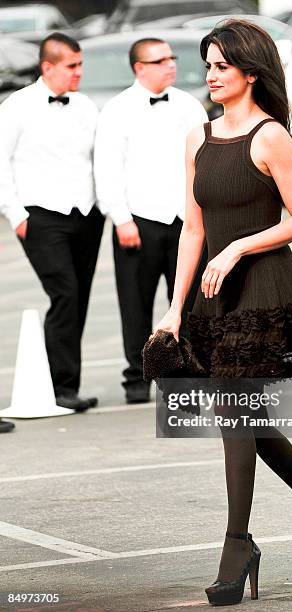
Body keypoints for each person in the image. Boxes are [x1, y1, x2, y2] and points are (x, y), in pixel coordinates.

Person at [151, 19, 292, 606]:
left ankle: (237, 544)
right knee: (246, 418)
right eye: (208, 65)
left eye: (221, 66)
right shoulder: (198, 137)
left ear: (250, 71)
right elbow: (192, 228)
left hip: (266, 292)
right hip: (213, 298)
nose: (210, 75)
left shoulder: (271, 138)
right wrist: (173, 312)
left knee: (234, 417)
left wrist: (240, 246)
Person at [94, 37, 208, 404]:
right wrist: (120, 218)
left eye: (172, 58)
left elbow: (204, 159)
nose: (171, 64)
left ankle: (187, 376)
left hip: (185, 220)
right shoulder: (116, 110)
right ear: (139, 68)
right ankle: (136, 378)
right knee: (135, 303)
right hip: (137, 221)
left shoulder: (190, 105)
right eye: (160, 60)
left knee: (188, 301)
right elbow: (107, 168)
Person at [0, 33, 104, 412]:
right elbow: (0, 162)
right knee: (65, 293)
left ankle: (66, 385)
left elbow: (99, 159)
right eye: (71, 66)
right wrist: (16, 215)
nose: (79, 72)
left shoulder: (86, 106)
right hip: (40, 216)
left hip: (86, 214)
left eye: (80, 65)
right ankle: (60, 387)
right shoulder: (17, 107)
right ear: (48, 67)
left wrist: (104, 205)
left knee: (79, 297)